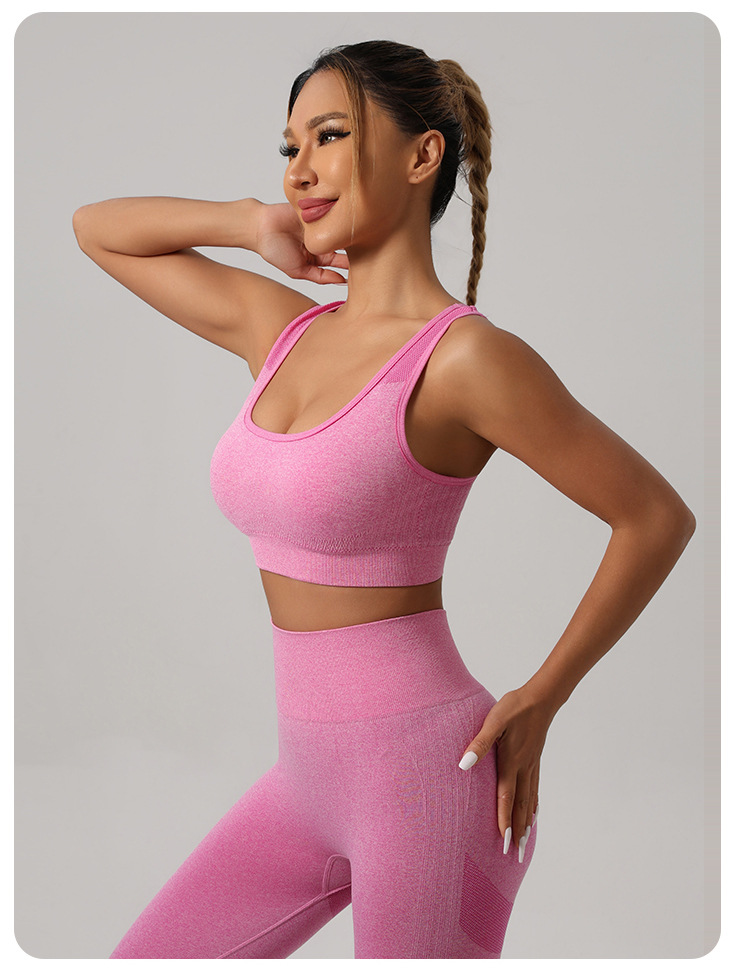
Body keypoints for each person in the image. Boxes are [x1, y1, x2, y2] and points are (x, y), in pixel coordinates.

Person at [72, 39, 695, 960]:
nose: (300, 169)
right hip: (301, 781)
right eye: (288, 148)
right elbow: (96, 228)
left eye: (329, 135)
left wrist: (543, 696)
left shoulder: (465, 359)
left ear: (421, 155)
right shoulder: (282, 331)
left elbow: (654, 516)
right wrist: (251, 223)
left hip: (429, 779)